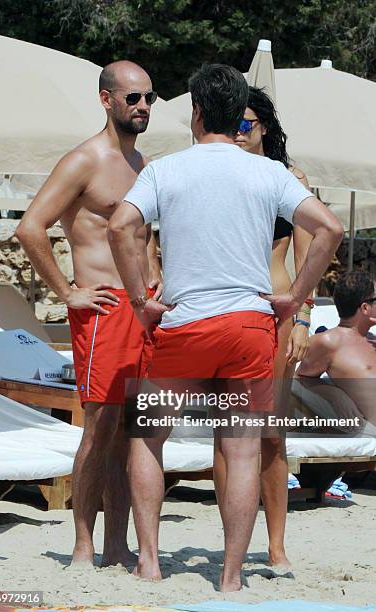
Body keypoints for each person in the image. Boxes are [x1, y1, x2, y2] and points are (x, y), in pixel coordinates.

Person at [107, 62, 343, 591]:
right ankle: (231, 577)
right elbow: (329, 228)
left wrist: (141, 298)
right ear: (239, 116)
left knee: (147, 438)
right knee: (240, 449)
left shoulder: (166, 170)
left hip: (184, 323)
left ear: (194, 112)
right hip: (248, 325)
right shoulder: (268, 172)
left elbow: (122, 225)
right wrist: (296, 298)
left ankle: (148, 562)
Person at [15, 60, 162, 568]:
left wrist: (158, 279)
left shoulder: (144, 163)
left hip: (144, 310)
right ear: (106, 100)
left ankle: (118, 544)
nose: (143, 106)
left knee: (132, 431)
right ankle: (82, 543)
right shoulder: (84, 159)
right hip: (102, 308)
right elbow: (31, 227)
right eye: (133, 98)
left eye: (149, 98)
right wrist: (67, 293)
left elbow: (143, 237)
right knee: (99, 428)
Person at [225, 86, 314, 568]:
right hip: (226, 308)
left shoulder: (286, 178)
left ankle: (276, 545)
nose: (237, 134)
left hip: (277, 310)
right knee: (231, 431)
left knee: (271, 433)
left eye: (246, 125)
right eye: (231, 124)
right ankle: (232, 543)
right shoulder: (216, 172)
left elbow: (309, 252)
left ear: (265, 128)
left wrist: (303, 316)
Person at [296, 270, 376, 422]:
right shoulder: (329, 342)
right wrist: (332, 394)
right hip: (369, 435)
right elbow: (298, 380)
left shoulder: (372, 340)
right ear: (365, 308)